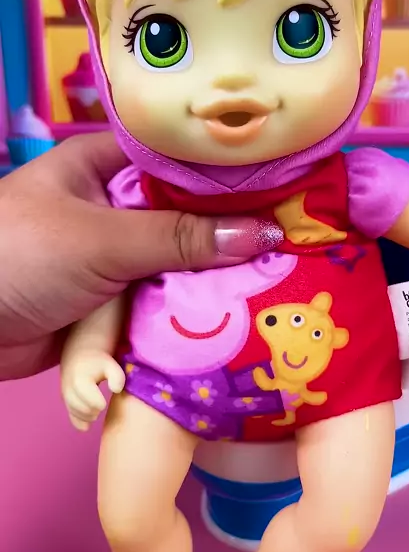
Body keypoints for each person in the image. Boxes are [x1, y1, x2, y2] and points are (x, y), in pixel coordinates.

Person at [0, 132, 282, 382]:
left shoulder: (306, 195)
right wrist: (88, 349)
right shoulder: (140, 189)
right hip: (158, 391)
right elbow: (113, 275)